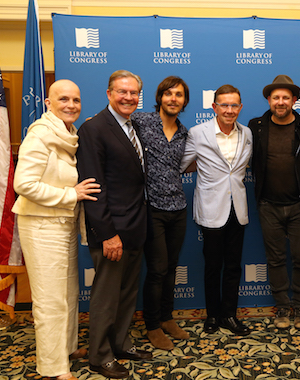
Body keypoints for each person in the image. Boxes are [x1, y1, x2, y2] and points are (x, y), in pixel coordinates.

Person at [13, 80, 101, 380]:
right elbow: (22, 184)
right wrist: (70, 195)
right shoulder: (39, 134)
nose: (71, 105)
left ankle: (66, 348)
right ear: (48, 103)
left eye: (76, 100)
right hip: (39, 224)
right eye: (63, 99)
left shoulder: (70, 134)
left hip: (62, 224)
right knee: (50, 299)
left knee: (66, 292)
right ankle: (52, 368)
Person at [77, 70, 152, 379]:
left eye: (134, 93)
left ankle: (120, 343)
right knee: (106, 298)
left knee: (126, 294)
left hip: (135, 226)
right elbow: (94, 188)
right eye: (122, 92)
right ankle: (100, 355)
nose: (128, 98)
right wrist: (107, 234)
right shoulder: (94, 128)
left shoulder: (132, 127)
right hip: (111, 231)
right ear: (109, 93)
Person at [180, 84, 253, 336]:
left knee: (233, 265)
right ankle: (212, 315)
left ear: (240, 108)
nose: (229, 110)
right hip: (211, 208)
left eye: (234, 105)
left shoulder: (247, 134)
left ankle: (229, 315)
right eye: (224, 105)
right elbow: (181, 164)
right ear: (214, 107)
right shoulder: (198, 133)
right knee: (212, 265)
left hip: (238, 208)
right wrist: (203, 170)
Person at [130, 76, 191, 350]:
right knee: (156, 270)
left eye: (178, 95)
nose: (173, 99)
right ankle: (152, 325)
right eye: (168, 94)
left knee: (171, 268)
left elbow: (183, 165)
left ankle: (167, 318)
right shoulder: (141, 122)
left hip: (178, 208)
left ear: (184, 101)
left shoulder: (184, 132)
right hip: (151, 207)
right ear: (160, 98)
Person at [249, 75, 300, 330]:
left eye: (286, 97)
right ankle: (282, 307)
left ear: (294, 100)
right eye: (276, 97)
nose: (281, 102)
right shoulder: (257, 126)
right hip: (268, 205)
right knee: (275, 259)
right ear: (269, 100)